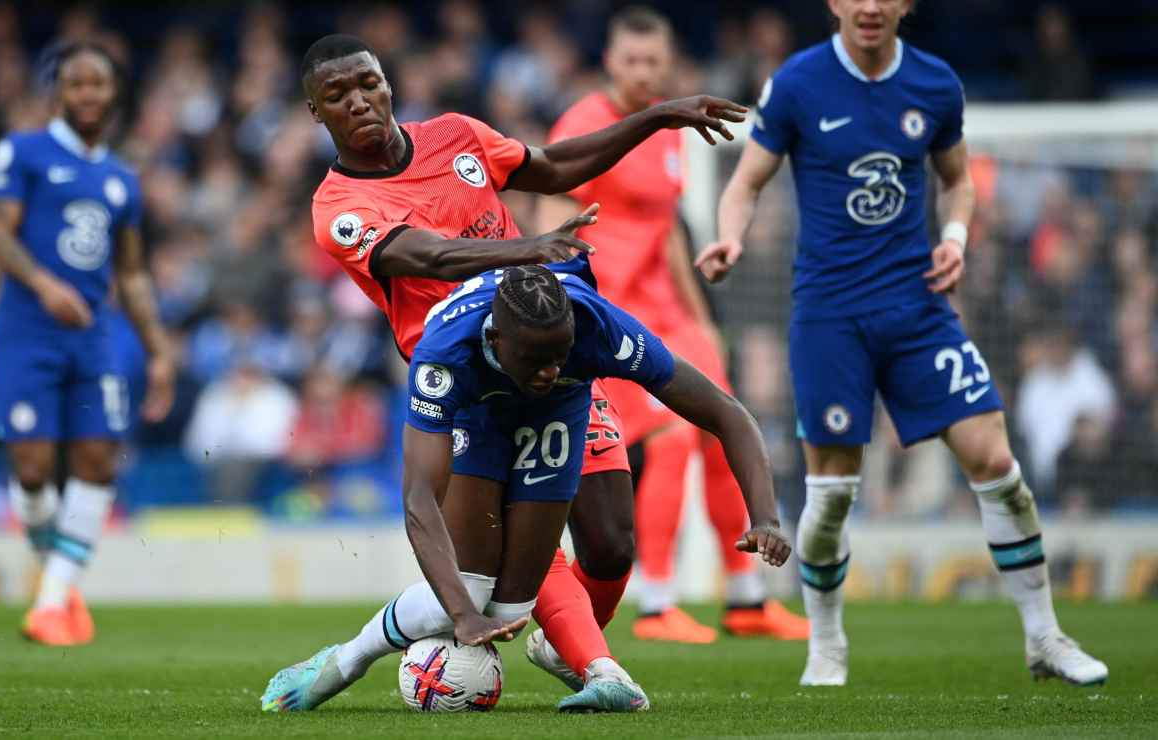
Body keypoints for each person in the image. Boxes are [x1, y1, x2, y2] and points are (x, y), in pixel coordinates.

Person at [294, 34, 747, 708]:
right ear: (317, 114)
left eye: (368, 82)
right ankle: (596, 666)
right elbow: (429, 257)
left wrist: (655, 117)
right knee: (494, 576)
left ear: (388, 83)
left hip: (543, 352)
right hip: (465, 382)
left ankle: (562, 639)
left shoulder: (455, 135)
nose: (359, 100)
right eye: (337, 95)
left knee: (611, 545)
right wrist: (526, 247)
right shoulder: (337, 209)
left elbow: (555, 166)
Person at [694, 0, 1107, 686]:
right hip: (830, 317)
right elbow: (744, 184)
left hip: (916, 308)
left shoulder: (936, 84)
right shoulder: (797, 83)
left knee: (996, 461)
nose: (871, 5)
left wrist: (954, 238)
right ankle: (826, 646)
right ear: (834, 2)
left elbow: (958, 183)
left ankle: (1045, 638)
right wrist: (731, 234)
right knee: (829, 500)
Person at [261, 263, 791, 713]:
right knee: (467, 594)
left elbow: (727, 413)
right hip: (480, 412)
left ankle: (566, 648)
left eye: (560, 353)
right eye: (535, 358)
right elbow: (419, 497)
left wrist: (764, 515)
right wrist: (463, 617)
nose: (549, 368)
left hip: (560, 411)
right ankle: (346, 658)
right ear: (495, 340)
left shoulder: (596, 326)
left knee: (515, 609)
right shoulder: (445, 353)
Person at [539, 6, 807, 643]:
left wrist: (701, 319)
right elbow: (550, 208)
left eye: (652, 62)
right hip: (606, 312)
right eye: (629, 61)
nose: (640, 73)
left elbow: (664, 231)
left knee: (719, 427)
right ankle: (656, 603)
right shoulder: (583, 123)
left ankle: (745, 598)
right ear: (609, 62)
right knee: (670, 439)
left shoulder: (666, 129)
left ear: (667, 65)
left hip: (667, 308)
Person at [0, 41, 174, 646]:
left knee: (97, 462)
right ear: (57, 93)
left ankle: (50, 602)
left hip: (92, 338)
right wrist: (43, 285)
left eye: (98, 83)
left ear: (113, 92)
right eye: (76, 83)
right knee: (33, 470)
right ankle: (60, 587)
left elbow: (133, 273)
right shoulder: (23, 152)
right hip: (27, 331)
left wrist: (159, 349)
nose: (88, 94)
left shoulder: (121, 179)